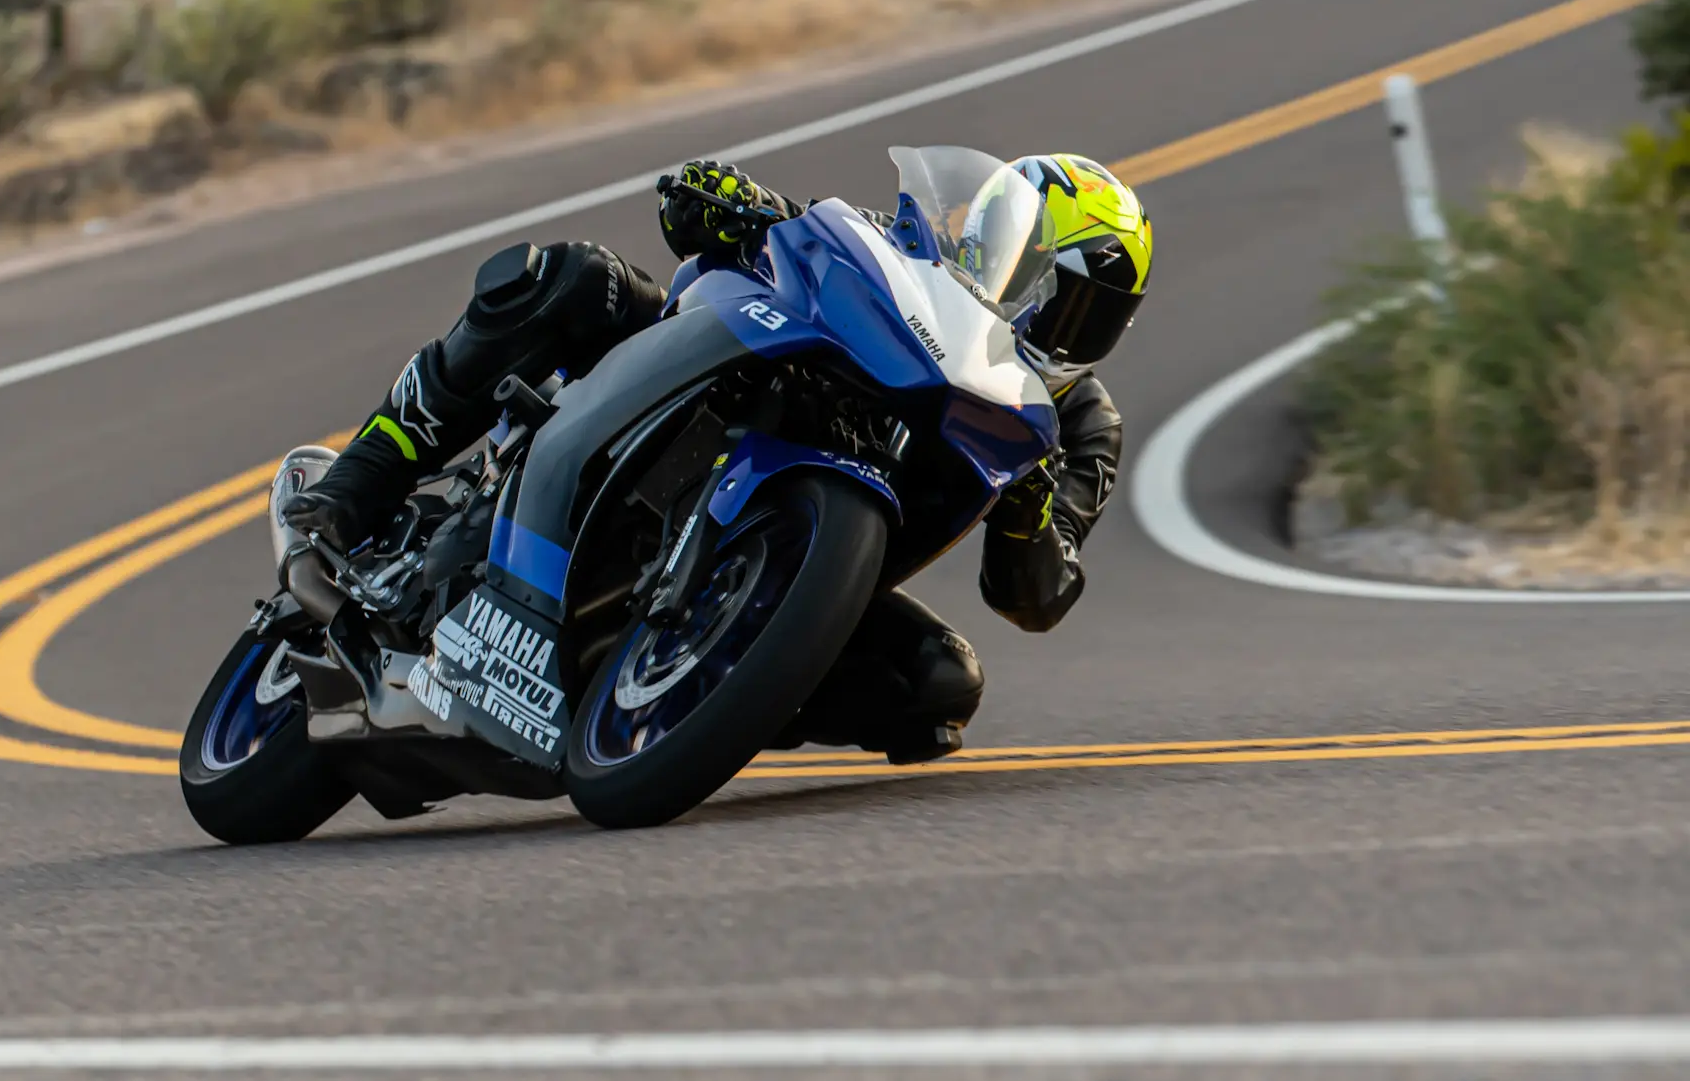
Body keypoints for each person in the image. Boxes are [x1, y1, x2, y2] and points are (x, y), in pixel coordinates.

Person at [283, 155, 1154, 761]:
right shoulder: (909, 255)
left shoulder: (1073, 424)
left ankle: (688, 698)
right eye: (1044, 275)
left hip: (807, 554)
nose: (1051, 314)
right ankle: (355, 484)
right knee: (574, 277)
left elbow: (1034, 596)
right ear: (1001, 237)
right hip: (719, 387)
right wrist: (729, 203)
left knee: (934, 686)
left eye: (1085, 310)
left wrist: (1033, 505)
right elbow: (763, 239)